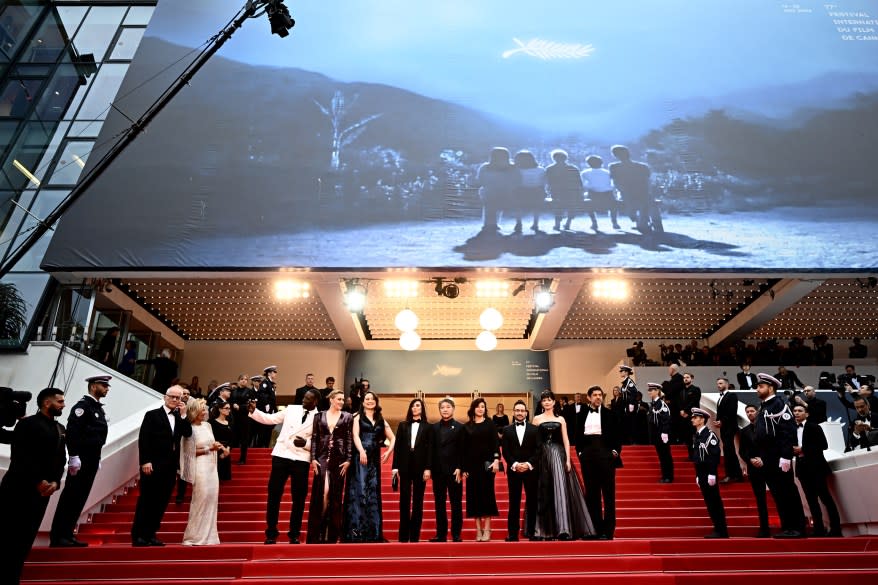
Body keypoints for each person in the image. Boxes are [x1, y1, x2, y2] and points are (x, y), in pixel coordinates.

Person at [0, 388, 67, 585]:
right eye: (60, 401)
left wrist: (55, 482)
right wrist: (38, 481)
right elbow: (20, 457)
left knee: (25, 538)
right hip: (17, 490)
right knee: (7, 536)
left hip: (41, 495)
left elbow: (60, 459)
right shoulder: (27, 424)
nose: (63, 405)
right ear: (47, 403)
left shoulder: (60, 429)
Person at [50, 375, 111, 547]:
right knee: (71, 496)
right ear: (93, 387)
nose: (107, 388)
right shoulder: (82, 407)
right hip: (81, 459)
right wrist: (74, 456)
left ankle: (67, 533)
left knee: (80, 498)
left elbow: (99, 436)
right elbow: (74, 432)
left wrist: (97, 457)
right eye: (103, 385)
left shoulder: (97, 408)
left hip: (91, 459)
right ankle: (59, 536)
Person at [251, 388, 319, 545]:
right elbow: (270, 419)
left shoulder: (319, 416)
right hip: (281, 455)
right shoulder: (291, 409)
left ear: (315, 401)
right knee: (274, 495)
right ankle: (271, 533)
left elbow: (320, 441)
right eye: (304, 397)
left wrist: (306, 444)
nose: (303, 400)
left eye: (308, 398)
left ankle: (294, 534)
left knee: (299, 498)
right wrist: (254, 412)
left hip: (301, 459)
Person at [131, 385, 192, 547]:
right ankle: (139, 535)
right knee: (147, 500)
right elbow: (144, 439)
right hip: (152, 465)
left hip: (170, 467)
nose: (174, 400)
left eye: (178, 398)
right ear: (165, 397)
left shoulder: (179, 417)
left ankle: (151, 534)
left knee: (161, 501)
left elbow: (188, 433)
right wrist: (145, 460)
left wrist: (184, 414)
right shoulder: (152, 415)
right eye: (172, 396)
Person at [532, 390, 594, 540]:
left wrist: (567, 460)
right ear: (541, 403)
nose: (546, 402)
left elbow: (566, 441)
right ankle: (543, 530)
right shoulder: (536, 419)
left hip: (558, 455)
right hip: (541, 457)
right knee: (544, 490)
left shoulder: (561, 419)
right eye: (544, 400)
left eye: (549, 399)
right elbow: (534, 441)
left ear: (554, 402)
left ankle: (563, 529)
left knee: (560, 489)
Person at [754, 373, 807, 538]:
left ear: (771, 388)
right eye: (757, 386)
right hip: (769, 457)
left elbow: (788, 432)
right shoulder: (765, 406)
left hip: (778, 457)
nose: (757, 389)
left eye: (761, 386)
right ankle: (787, 526)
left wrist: (786, 456)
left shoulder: (779, 405)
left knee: (787, 492)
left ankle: (797, 527)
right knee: (778, 494)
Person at [345, 390, 395, 542]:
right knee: (359, 491)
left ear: (376, 402)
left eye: (372, 399)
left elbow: (393, 438)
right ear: (363, 401)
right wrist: (361, 451)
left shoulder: (381, 419)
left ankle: (373, 532)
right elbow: (355, 435)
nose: (370, 401)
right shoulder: (357, 417)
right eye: (367, 398)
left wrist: (388, 452)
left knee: (372, 492)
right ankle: (357, 532)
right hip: (360, 457)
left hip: (374, 459)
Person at [307, 388, 353, 543]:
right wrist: (313, 458)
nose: (342, 401)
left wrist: (348, 459)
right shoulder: (318, 416)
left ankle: (331, 534)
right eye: (339, 399)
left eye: (343, 399)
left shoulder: (347, 416)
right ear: (331, 399)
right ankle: (318, 532)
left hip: (339, 460)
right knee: (323, 492)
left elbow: (348, 439)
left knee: (335, 495)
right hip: (321, 458)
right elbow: (314, 438)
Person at [576, 385, 622, 540]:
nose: (598, 397)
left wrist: (614, 452)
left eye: (600, 394)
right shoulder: (581, 414)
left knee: (608, 494)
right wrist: (580, 453)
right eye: (594, 395)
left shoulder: (610, 414)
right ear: (588, 397)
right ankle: (594, 530)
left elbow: (617, 433)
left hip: (606, 454)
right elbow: (577, 435)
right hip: (587, 456)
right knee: (592, 494)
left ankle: (607, 531)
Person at [791, 404, 842, 537]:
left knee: (826, 498)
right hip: (802, 468)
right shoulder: (791, 429)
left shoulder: (814, 427)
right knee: (811, 501)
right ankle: (818, 529)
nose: (796, 413)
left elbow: (823, 445)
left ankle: (836, 529)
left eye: (799, 411)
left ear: (806, 414)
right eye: (794, 411)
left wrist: (803, 449)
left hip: (816, 467)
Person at [179, 398, 222, 545]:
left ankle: (210, 537)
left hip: (211, 467)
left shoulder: (208, 426)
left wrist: (216, 446)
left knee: (212, 499)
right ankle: (193, 537)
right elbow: (188, 451)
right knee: (201, 500)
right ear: (194, 411)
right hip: (200, 467)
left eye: (205, 409)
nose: (205, 412)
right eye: (202, 409)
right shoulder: (189, 428)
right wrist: (209, 448)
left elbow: (211, 444)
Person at [391, 398, 432, 543]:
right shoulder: (402, 426)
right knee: (404, 501)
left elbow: (430, 451)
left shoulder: (428, 427)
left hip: (421, 468)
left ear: (422, 409)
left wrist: (428, 468)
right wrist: (395, 467)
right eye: (413, 406)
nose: (415, 408)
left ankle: (415, 536)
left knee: (418, 502)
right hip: (405, 467)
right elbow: (397, 448)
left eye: (418, 406)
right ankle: (403, 536)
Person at [501, 400, 541, 541]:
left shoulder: (534, 429)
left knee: (532, 501)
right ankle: (512, 534)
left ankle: (532, 532)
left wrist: (528, 464)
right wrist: (515, 464)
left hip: (531, 470)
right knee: (514, 502)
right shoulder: (507, 430)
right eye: (517, 410)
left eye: (522, 410)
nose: (519, 413)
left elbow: (538, 450)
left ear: (526, 412)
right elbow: (505, 451)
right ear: (514, 412)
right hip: (514, 470)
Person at [462, 397, 500, 541]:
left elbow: (495, 444)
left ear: (485, 409)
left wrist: (496, 460)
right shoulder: (467, 427)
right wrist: (464, 467)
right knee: (474, 498)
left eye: (483, 407)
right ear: (473, 409)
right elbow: (464, 450)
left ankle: (487, 528)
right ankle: (478, 530)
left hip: (487, 466)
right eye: (478, 406)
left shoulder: (490, 424)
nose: (480, 409)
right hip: (472, 467)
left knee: (487, 496)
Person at [429, 397, 465, 542]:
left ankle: (456, 534)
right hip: (438, 471)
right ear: (439, 410)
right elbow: (430, 450)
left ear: (453, 409)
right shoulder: (434, 428)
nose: (445, 409)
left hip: (454, 471)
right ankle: (441, 534)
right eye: (442, 407)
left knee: (456, 503)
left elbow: (463, 450)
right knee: (439, 504)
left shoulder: (460, 427)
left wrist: (460, 467)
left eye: (448, 407)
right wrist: (429, 468)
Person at [689, 407, 729, 538]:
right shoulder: (697, 435)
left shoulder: (709, 435)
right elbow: (697, 458)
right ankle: (717, 528)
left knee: (714, 502)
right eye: (693, 417)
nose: (692, 419)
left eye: (695, 418)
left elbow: (714, 456)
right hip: (702, 473)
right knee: (709, 502)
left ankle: (721, 530)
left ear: (702, 420)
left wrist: (712, 473)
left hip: (708, 472)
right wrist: (697, 475)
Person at [738, 404, 771, 537]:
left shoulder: (768, 427)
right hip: (754, 469)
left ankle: (788, 526)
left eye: (752, 411)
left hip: (769, 466)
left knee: (778, 496)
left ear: (757, 412)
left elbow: (772, 446)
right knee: (760, 499)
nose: (750, 413)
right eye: (747, 412)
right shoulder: (744, 431)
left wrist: (763, 459)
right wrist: (750, 460)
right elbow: (742, 450)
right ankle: (764, 528)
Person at [474, 146, 518, 235]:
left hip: (489, 191)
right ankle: (494, 223)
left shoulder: (485, 167)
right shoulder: (512, 167)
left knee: (489, 205)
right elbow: (516, 180)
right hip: (506, 191)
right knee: (498, 206)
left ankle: (488, 224)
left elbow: (480, 179)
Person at [608, 144, 651, 232]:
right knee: (644, 199)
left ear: (615, 156)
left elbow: (615, 183)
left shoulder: (613, 167)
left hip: (626, 194)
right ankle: (642, 221)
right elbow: (648, 181)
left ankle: (636, 218)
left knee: (626, 197)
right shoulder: (643, 166)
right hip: (643, 193)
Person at [545, 149, 583, 231]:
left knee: (558, 207)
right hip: (571, 191)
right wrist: (579, 192)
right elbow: (579, 182)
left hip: (557, 191)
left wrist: (549, 190)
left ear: (553, 158)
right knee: (570, 207)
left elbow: (548, 181)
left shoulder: (550, 168)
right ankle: (567, 224)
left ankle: (557, 224)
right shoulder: (573, 168)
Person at [714, 376, 743, 483]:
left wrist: (721, 421)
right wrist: (718, 421)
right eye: (717, 383)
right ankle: (736, 475)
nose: (718, 385)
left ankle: (731, 475)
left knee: (729, 451)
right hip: (724, 427)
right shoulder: (720, 397)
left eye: (721, 383)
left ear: (727, 384)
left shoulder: (732, 396)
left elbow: (731, 412)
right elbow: (721, 412)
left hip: (729, 427)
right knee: (728, 451)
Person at [581, 154, 620, 231]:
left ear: (588, 164)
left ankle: (594, 222)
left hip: (593, 194)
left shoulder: (584, 173)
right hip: (608, 194)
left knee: (589, 203)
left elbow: (582, 185)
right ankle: (614, 222)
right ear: (601, 163)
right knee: (613, 205)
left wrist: (590, 187)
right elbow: (612, 184)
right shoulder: (607, 172)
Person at [512, 149, 547, 233]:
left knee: (518, 207)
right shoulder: (541, 169)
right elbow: (544, 182)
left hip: (521, 191)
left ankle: (518, 223)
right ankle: (535, 224)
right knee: (536, 207)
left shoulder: (515, 169)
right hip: (537, 191)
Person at [646, 382, 674, 483]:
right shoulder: (654, 403)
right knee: (662, 456)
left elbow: (666, 419)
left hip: (662, 434)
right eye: (649, 390)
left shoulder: (661, 404)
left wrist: (665, 432)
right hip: (656, 435)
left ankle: (668, 476)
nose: (649, 392)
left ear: (657, 391)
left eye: (651, 390)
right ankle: (665, 475)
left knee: (665, 455)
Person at [253, 366, 279, 448]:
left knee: (268, 430)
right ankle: (260, 447)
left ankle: (266, 446)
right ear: (269, 373)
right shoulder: (265, 382)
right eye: (274, 372)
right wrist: (266, 404)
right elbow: (261, 394)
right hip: (265, 410)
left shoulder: (271, 384)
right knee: (263, 430)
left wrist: (274, 409)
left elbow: (273, 398)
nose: (275, 374)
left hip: (270, 410)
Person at [209, 400, 234, 481]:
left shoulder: (230, 423)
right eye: (226, 408)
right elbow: (212, 438)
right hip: (216, 450)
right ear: (220, 409)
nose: (228, 410)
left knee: (224, 477)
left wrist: (228, 449)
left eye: (229, 409)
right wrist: (223, 449)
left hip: (227, 451)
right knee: (216, 475)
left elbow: (232, 438)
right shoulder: (212, 422)